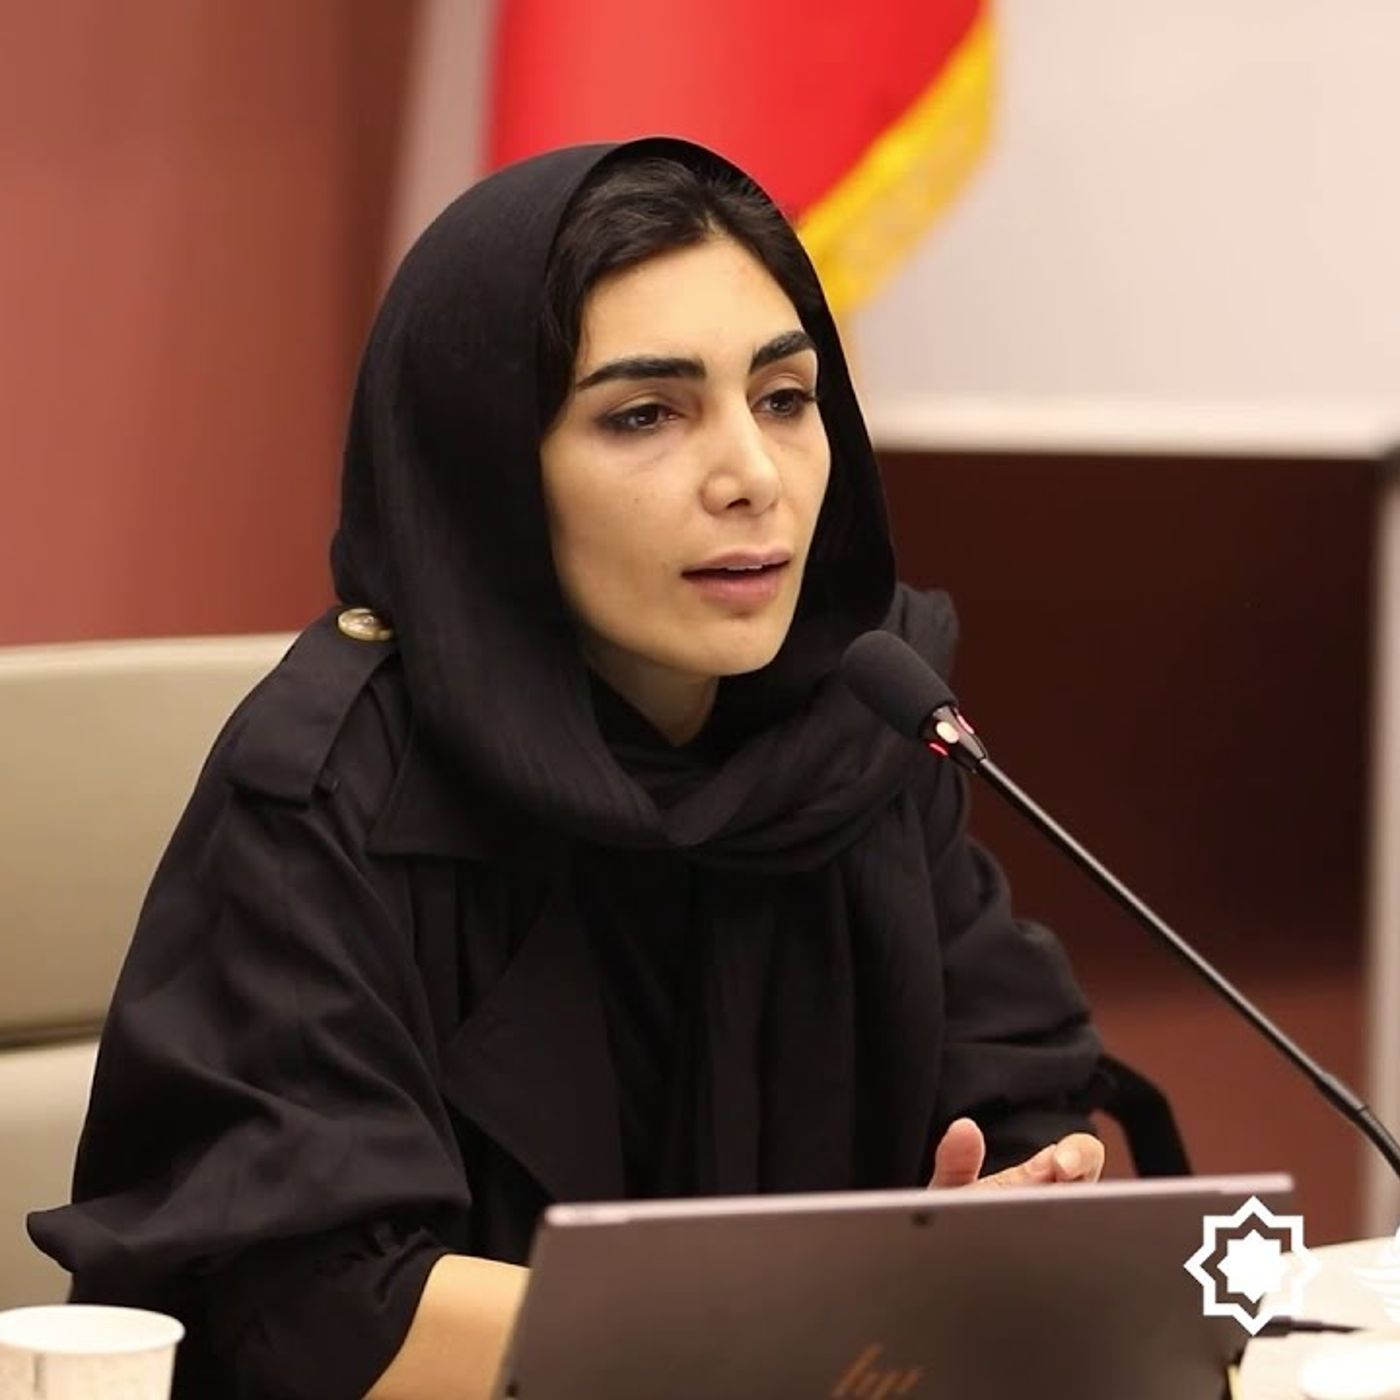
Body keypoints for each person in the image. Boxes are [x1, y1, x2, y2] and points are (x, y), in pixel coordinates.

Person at [29, 137, 1105, 1399]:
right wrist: (781, 1326)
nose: (752, 477)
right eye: (643, 414)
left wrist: (1012, 1212)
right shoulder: (330, 791)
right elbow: (315, 1299)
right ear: (484, 467)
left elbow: (1023, 1096)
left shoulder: (861, 731)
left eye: (783, 397)